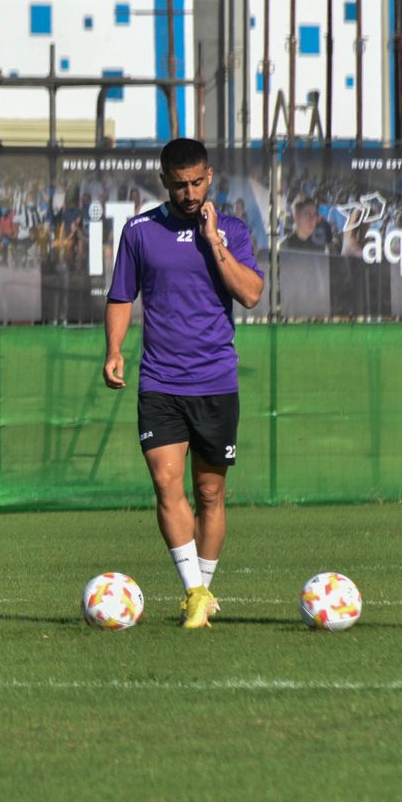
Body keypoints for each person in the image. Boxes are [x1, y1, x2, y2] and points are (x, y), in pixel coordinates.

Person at [102, 138, 264, 629]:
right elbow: (120, 296)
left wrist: (214, 241)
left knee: (210, 495)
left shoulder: (232, 230)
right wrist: (113, 350)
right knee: (165, 483)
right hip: (160, 380)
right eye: (179, 185)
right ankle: (193, 592)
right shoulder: (139, 231)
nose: (190, 193)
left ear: (209, 176)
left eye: (197, 182)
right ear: (164, 183)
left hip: (216, 380)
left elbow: (252, 294)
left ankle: (205, 590)